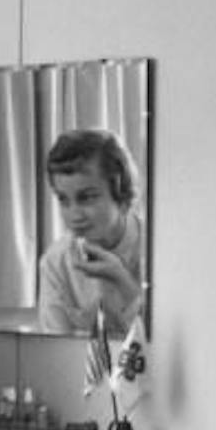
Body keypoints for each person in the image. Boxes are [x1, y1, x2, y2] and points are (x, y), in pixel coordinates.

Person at [35, 127, 146, 336]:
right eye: (63, 200)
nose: (74, 215)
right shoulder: (55, 263)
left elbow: (168, 344)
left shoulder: (158, 251)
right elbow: (57, 351)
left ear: (120, 193)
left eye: (86, 197)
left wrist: (123, 280)